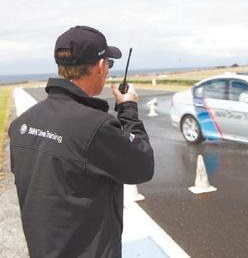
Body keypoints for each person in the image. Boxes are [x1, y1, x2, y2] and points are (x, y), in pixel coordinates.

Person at [8, 25, 154, 258]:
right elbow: (142, 166)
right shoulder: (96, 127)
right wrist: (128, 109)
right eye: (109, 64)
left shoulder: (22, 124)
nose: (108, 71)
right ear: (99, 66)